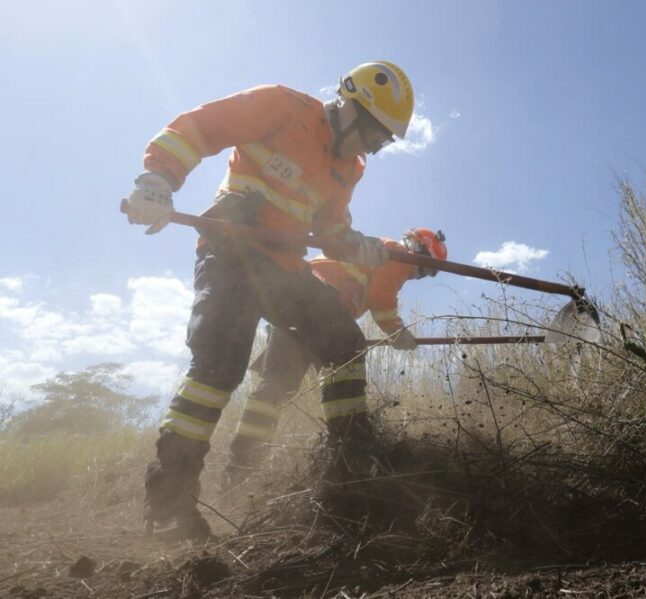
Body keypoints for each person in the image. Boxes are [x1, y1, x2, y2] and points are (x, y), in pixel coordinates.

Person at [123, 61, 415, 538]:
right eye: (374, 135)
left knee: (344, 344)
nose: (373, 148)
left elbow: (330, 228)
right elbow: (197, 128)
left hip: (286, 269)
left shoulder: (349, 168)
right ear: (349, 107)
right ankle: (171, 506)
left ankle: (351, 468)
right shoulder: (281, 106)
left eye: (383, 142)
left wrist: (354, 243)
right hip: (231, 253)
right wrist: (158, 180)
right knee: (218, 367)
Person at [224, 228, 448, 486]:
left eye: (425, 274)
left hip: (295, 305)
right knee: (347, 358)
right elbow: (382, 300)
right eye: (423, 267)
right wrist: (398, 332)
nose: (417, 275)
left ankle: (241, 464)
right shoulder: (398, 253)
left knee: (274, 388)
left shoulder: (375, 252)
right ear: (417, 249)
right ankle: (351, 453)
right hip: (321, 305)